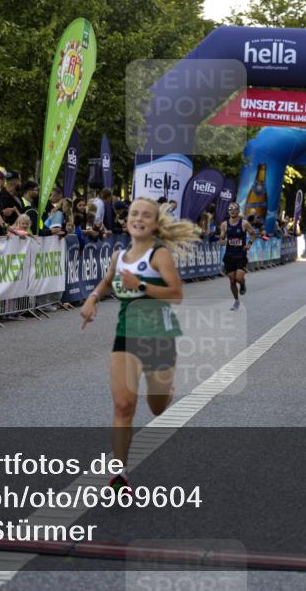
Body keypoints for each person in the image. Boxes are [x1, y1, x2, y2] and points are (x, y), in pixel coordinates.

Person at [80, 198, 201, 492]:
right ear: (126, 220)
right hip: (126, 335)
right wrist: (93, 298)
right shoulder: (119, 256)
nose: (138, 218)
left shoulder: (160, 256)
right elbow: (108, 281)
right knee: (123, 405)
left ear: (155, 223)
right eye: (134, 213)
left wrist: (141, 285)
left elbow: (176, 294)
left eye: (146, 215)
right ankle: (119, 473)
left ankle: (166, 392)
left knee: (157, 408)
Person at [219, 202, 255, 310]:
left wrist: (249, 244)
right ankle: (236, 301)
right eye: (231, 209)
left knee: (239, 278)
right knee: (232, 281)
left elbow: (253, 234)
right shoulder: (224, 224)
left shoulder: (244, 223)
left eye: (235, 209)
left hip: (241, 255)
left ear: (238, 211)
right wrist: (222, 240)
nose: (233, 211)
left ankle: (243, 283)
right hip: (229, 256)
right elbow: (221, 239)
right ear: (228, 211)